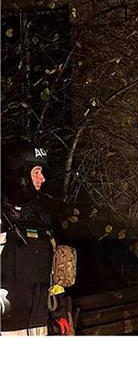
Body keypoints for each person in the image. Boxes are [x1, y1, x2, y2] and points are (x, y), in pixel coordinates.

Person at [1, 141, 70, 336]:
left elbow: (53, 272)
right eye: (36, 172)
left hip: (38, 322)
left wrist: (59, 311)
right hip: (7, 326)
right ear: (18, 175)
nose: (43, 178)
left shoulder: (42, 219)